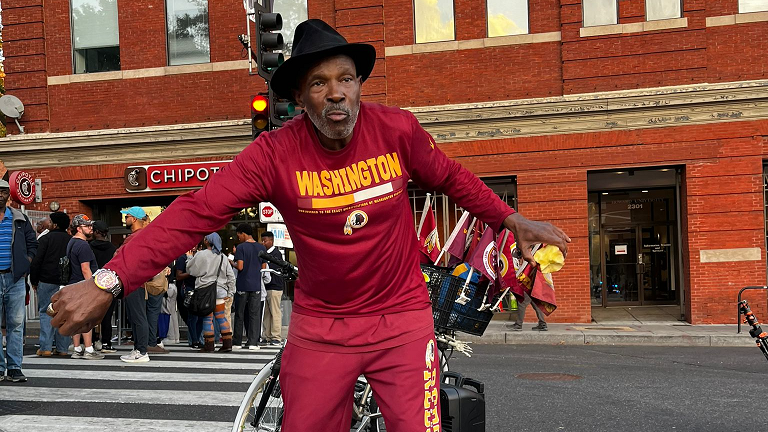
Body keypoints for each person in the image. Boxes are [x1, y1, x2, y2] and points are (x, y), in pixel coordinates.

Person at [50, 19, 570, 431]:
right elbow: (192, 215)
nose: (337, 92)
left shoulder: (398, 130)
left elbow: (451, 176)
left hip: (402, 320)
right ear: (299, 99)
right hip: (322, 328)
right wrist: (107, 280)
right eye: (319, 83)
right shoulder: (272, 156)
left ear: (360, 84)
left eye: (346, 78)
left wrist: (509, 217)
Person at [119, 206, 170, 363]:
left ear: (134, 219)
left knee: (138, 317)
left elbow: (120, 255)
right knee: (137, 317)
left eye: (127, 216)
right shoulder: (142, 235)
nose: (124, 219)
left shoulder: (135, 237)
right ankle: (138, 349)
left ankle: (141, 351)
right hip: (136, 281)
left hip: (133, 281)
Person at [0, 179, 37, 382]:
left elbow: (33, 244)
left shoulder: (20, 218)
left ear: (9, 195)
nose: (0, 194)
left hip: (14, 278)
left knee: (15, 325)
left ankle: (14, 367)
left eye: (4, 191)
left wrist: (26, 263)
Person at [30, 211, 72, 357]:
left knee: (46, 312)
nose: (48, 223)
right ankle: (63, 348)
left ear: (55, 224)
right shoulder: (71, 240)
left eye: (50, 221)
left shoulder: (45, 239)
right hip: (66, 282)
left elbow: (36, 261)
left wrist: (34, 280)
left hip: (46, 280)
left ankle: (45, 347)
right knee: (64, 314)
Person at [186, 232, 236, 352]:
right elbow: (231, 276)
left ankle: (209, 345)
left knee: (207, 318)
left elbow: (191, 270)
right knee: (221, 317)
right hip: (221, 292)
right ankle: (227, 344)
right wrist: (230, 293)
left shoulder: (201, 255)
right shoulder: (223, 257)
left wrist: (189, 258)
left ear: (208, 241)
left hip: (205, 292)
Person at [66, 214, 104, 360]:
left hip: (72, 285)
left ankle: (77, 349)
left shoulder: (71, 242)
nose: (90, 228)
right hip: (83, 285)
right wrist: (93, 288)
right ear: (78, 228)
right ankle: (88, 349)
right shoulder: (83, 245)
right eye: (87, 226)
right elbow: (85, 269)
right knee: (86, 318)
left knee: (75, 318)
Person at [232, 223, 267, 350]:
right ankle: (253, 342)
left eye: (239, 235)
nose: (239, 238)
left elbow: (240, 266)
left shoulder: (241, 248)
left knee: (240, 313)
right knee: (254, 314)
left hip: (242, 284)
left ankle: (237, 342)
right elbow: (263, 267)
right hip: (256, 284)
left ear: (243, 233)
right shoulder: (260, 247)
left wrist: (232, 263)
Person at [89, 220, 118, 352]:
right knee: (107, 314)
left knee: (91, 314)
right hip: (108, 283)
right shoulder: (112, 248)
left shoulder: (89, 247)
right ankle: (106, 342)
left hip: (92, 283)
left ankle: (91, 341)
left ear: (95, 232)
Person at [260, 231, 284, 345]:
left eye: (265, 241)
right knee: (267, 313)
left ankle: (276, 336)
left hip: (275, 286)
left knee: (275, 312)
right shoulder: (263, 254)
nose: (263, 243)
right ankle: (267, 335)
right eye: (262, 241)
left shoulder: (277, 254)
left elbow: (274, 268)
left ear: (271, 241)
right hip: (266, 287)